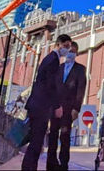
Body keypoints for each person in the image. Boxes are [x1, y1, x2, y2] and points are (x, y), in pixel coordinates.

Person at [22, 33, 71, 171]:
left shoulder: (49, 59)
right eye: (65, 46)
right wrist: (57, 106)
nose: (67, 50)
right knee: (36, 143)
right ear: (58, 44)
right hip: (40, 107)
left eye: (69, 47)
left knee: (35, 142)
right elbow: (51, 85)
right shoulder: (53, 61)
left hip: (36, 105)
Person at [47, 41, 87, 171]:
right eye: (69, 50)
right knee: (52, 135)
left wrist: (76, 108)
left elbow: (81, 90)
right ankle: (51, 164)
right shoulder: (58, 68)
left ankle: (63, 165)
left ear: (77, 53)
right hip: (55, 107)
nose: (70, 54)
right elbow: (52, 88)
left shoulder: (80, 69)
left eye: (73, 51)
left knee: (65, 137)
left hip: (69, 109)